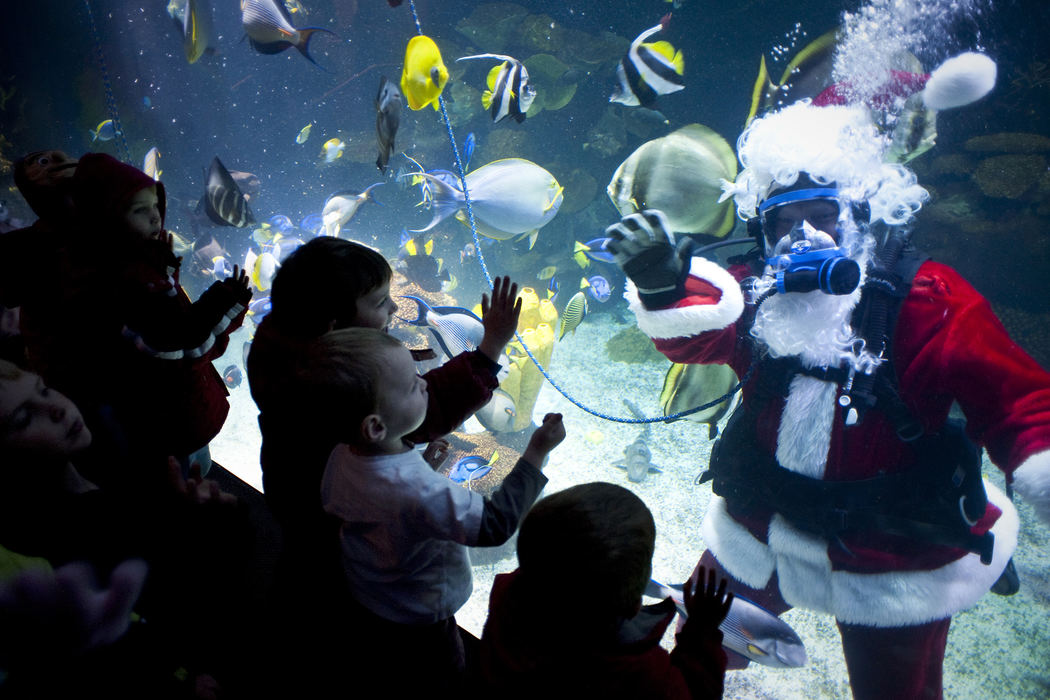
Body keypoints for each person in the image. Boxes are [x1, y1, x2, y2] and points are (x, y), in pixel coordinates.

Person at [605, 100, 1050, 700]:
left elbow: (1018, 400)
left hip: (893, 545)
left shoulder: (929, 300)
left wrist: (1038, 465)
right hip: (763, 522)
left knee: (899, 690)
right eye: (785, 223)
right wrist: (660, 281)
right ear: (762, 232)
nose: (806, 238)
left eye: (826, 217)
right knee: (698, 639)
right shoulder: (755, 292)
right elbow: (699, 337)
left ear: (861, 220)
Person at [244, 237, 521, 693]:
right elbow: (422, 412)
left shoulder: (282, 354)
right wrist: (489, 350)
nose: (394, 307)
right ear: (335, 327)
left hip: (297, 502)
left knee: (307, 574)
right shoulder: (338, 402)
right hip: (363, 563)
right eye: (378, 301)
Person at [301, 327, 564, 694]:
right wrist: (535, 454)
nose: (425, 384)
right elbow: (493, 524)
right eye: (412, 385)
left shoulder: (341, 454)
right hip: (421, 615)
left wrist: (424, 465)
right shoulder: (416, 490)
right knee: (441, 675)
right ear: (376, 427)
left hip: (368, 591)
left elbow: (379, 506)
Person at [0, 358, 247, 697]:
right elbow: (119, 648)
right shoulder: (50, 559)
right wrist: (181, 679)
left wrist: (205, 514)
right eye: (24, 417)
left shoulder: (103, 454)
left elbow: (167, 552)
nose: (55, 408)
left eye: (43, 389)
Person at [29, 152, 252, 494]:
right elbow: (180, 345)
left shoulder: (112, 261)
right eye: (139, 210)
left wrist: (164, 267)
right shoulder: (119, 284)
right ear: (107, 220)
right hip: (167, 417)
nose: (155, 217)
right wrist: (227, 304)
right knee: (182, 482)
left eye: (155, 206)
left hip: (159, 414)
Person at [478, 482, 732, 699]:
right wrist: (701, 632)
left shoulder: (507, 598)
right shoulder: (640, 673)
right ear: (634, 605)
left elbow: (558, 569)